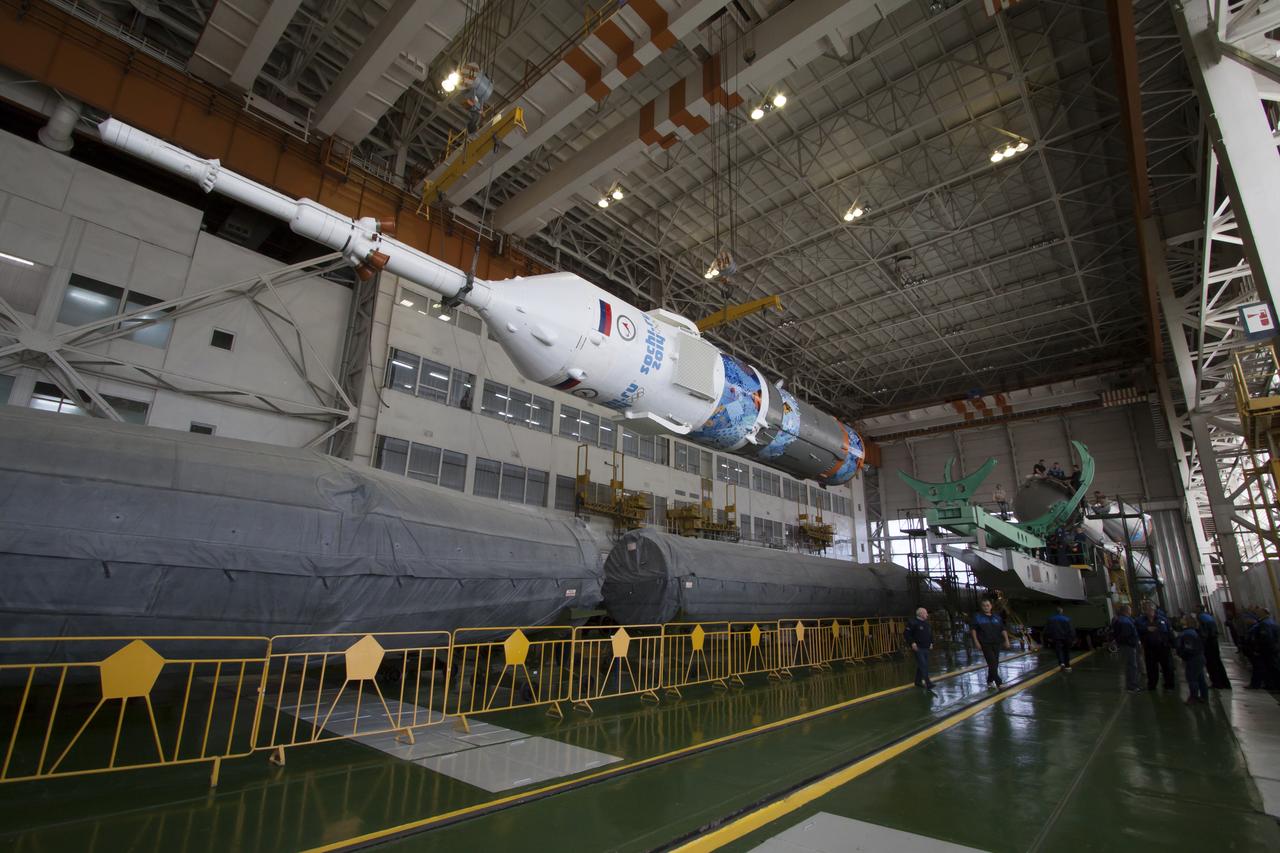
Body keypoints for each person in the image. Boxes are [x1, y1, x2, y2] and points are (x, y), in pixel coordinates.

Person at [971, 599, 1011, 688]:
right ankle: (999, 683)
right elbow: (973, 630)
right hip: (985, 643)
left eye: (988, 605)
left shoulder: (996, 617)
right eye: (984, 605)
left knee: (995, 663)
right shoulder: (978, 617)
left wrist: (1006, 640)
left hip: (996, 643)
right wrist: (976, 642)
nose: (986, 607)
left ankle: (989, 681)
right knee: (992, 663)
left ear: (991, 606)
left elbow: (1003, 629)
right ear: (982, 607)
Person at [1136, 601, 1176, 690]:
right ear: (1144, 611)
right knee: (1151, 668)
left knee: (1167, 667)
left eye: (1150, 608)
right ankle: (1152, 685)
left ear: (1154, 609)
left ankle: (1169, 685)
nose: (1149, 610)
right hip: (1149, 648)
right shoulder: (1140, 621)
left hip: (1163, 647)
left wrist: (1173, 645)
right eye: (1146, 609)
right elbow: (1137, 630)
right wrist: (1146, 629)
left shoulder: (1163, 620)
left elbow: (1170, 632)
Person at [1176, 614, 1209, 704]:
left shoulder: (1188, 634)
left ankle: (1194, 697)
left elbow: (1188, 648)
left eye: (1183, 619)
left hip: (1193, 659)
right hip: (1199, 657)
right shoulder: (1193, 632)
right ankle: (1204, 696)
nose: (1181, 620)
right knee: (1200, 678)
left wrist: (1182, 654)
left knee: (1192, 678)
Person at [1246, 607, 1280, 690]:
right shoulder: (1271, 622)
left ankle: (1275, 686)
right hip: (1273, 648)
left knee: (1270, 668)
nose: (1257, 614)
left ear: (1264, 613)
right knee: (1272, 667)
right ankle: (1271, 685)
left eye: (1259, 612)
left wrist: (1258, 649)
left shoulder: (1264, 624)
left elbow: (1265, 638)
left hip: (1267, 649)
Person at [1112, 604, 1142, 691]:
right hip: (1129, 646)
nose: (1131, 611)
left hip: (1128, 645)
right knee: (1132, 665)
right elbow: (1126, 635)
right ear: (1126, 611)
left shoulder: (1123, 620)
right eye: (1130, 610)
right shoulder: (1125, 621)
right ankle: (1132, 685)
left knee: (1132, 665)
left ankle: (1132, 684)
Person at [904, 607, 934, 690]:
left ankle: (917, 681)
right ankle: (928, 683)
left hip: (926, 647)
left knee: (922, 665)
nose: (927, 615)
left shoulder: (926, 624)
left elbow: (930, 634)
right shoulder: (912, 622)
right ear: (920, 614)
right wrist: (912, 643)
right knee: (923, 665)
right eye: (925, 613)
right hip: (918, 648)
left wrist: (931, 642)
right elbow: (906, 634)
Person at [1044, 606, 1074, 671]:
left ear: (1056, 612)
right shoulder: (1067, 619)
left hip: (1056, 637)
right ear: (1062, 612)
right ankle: (1068, 666)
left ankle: (1061, 663)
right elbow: (1071, 630)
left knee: (1059, 650)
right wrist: (1072, 638)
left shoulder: (1051, 619)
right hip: (1066, 638)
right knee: (1066, 651)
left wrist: (1048, 637)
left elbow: (1047, 629)